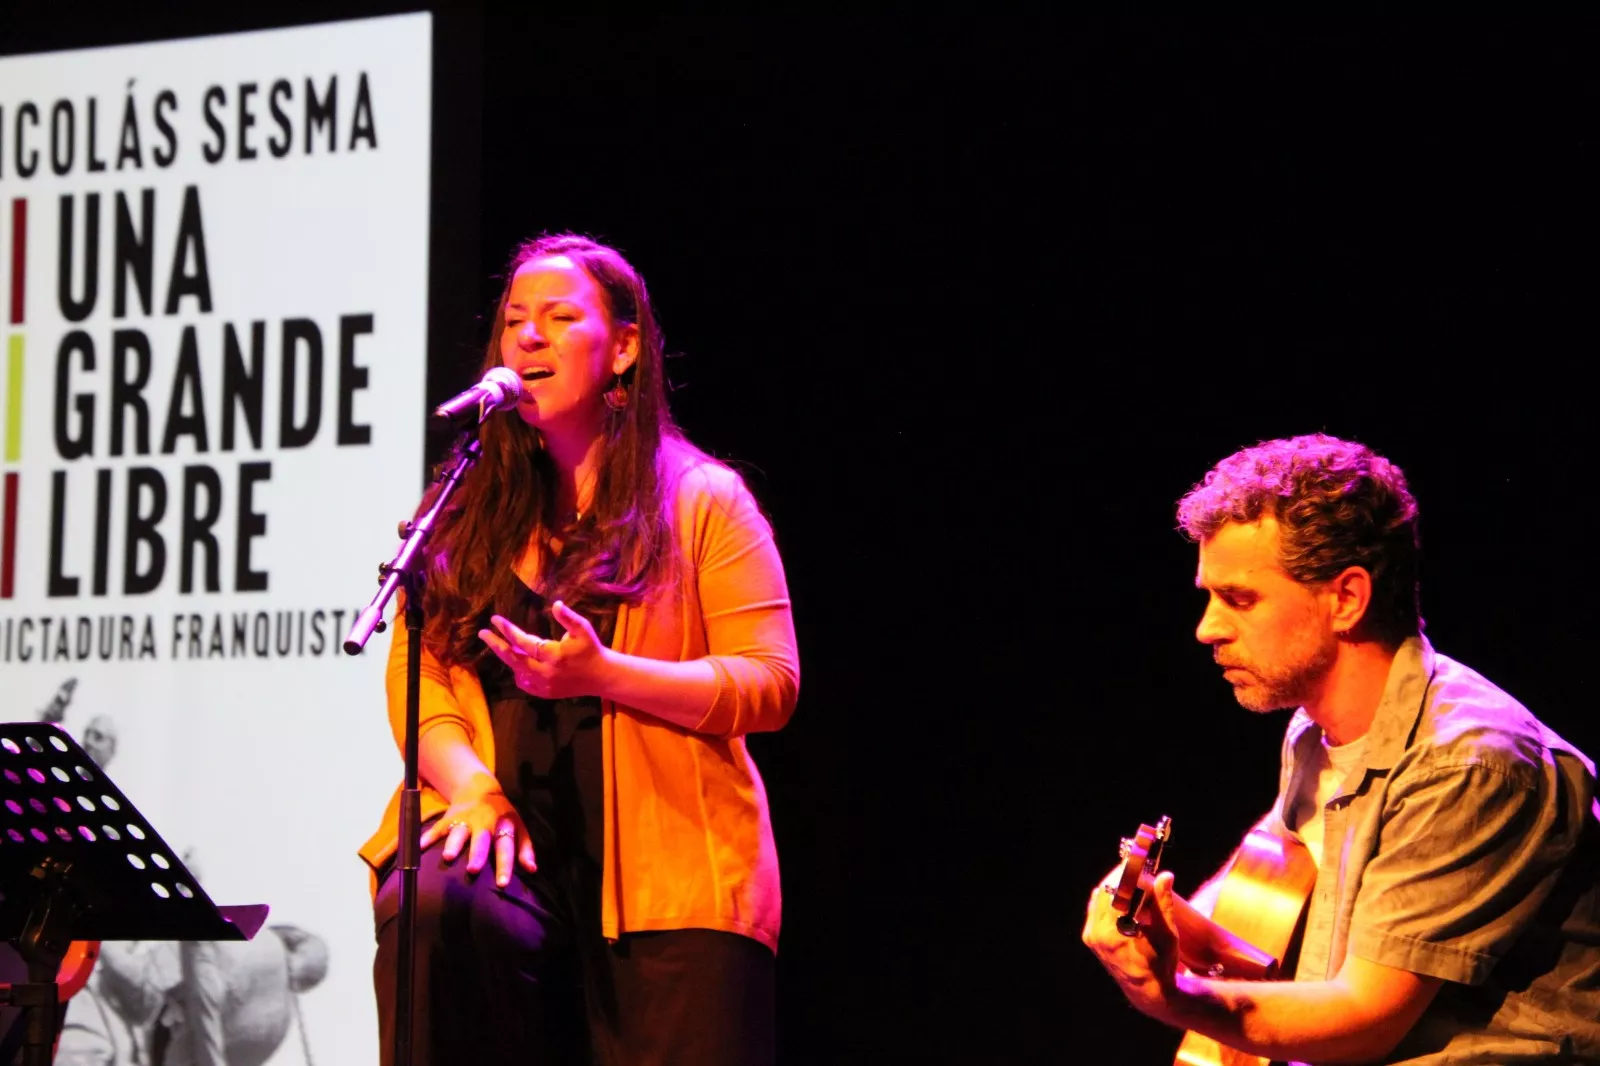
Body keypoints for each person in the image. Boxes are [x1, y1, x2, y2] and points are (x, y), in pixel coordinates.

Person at [358, 234, 800, 1066]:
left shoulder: (704, 500)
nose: (528, 337)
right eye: (515, 321)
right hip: (513, 856)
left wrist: (605, 675)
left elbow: (769, 682)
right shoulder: (466, 511)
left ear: (624, 348)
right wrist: (471, 785)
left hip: (671, 887)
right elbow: (422, 671)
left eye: (560, 318)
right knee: (432, 908)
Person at [1082, 434, 1600, 1064]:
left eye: (1240, 599)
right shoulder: (1313, 729)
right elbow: (1272, 886)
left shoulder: (1470, 764)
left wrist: (1174, 995)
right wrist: (1175, 922)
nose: (1207, 628)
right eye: (1209, 597)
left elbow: (1364, 1016)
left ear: (1346, 599)